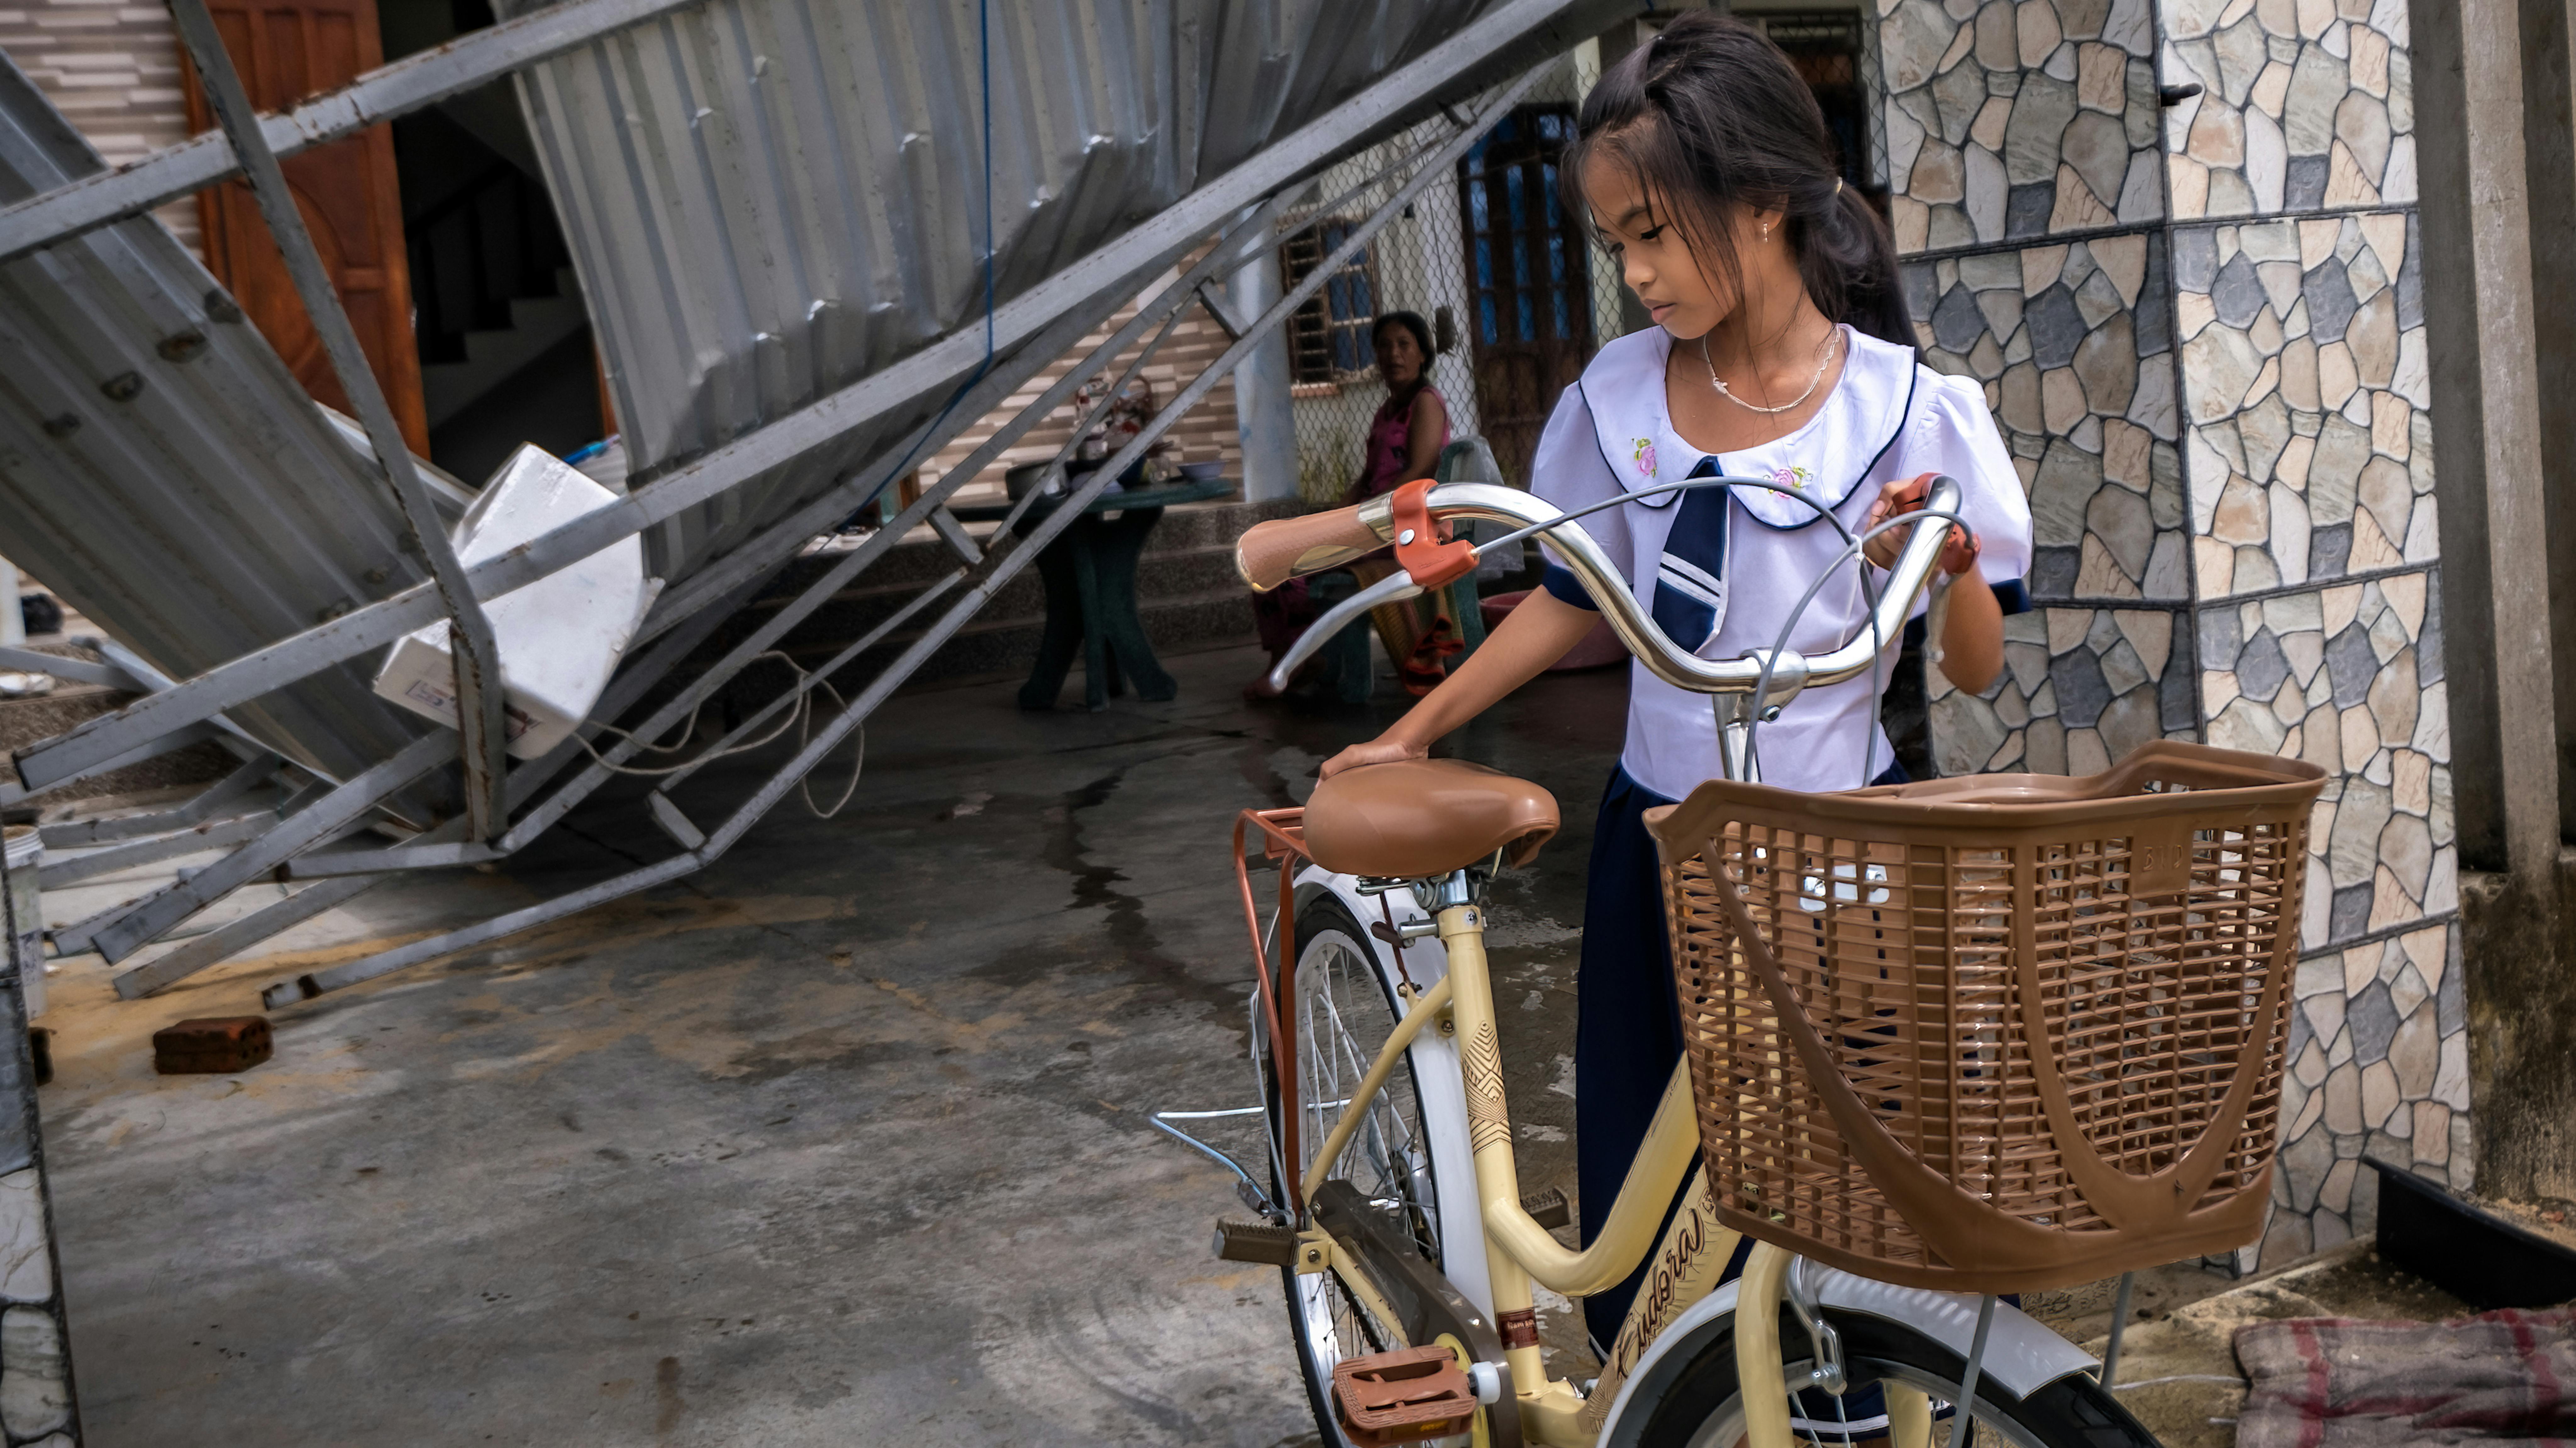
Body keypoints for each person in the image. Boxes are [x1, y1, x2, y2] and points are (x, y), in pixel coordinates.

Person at [1316, 12, 2033, 1427]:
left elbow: (1974, 670)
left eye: (1655, 233)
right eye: (1615, 243)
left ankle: (1830, 1398)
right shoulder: (1617, 403)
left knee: (1852, 1203)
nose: (1635, 273)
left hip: (1847, 850)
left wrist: (1942, 567)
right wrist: (1416, 732)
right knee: (1654, 1199)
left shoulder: (1907, 412)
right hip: (1660, 847)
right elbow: (1577, 600)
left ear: (1763, 202)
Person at [1247, 312, 1456, 699]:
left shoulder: (1426, 404)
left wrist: (1363, 516)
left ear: (1424, 354)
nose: (1393, 354)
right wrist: (1332, 517)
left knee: (1294, 565)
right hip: (1372, 521)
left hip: (1406, 527)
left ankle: (1301, 660)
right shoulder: (1385, 411)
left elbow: (1421, 469)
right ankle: (1285, 659)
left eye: (1404, 345)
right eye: (1384, 346)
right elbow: (1365, 479)